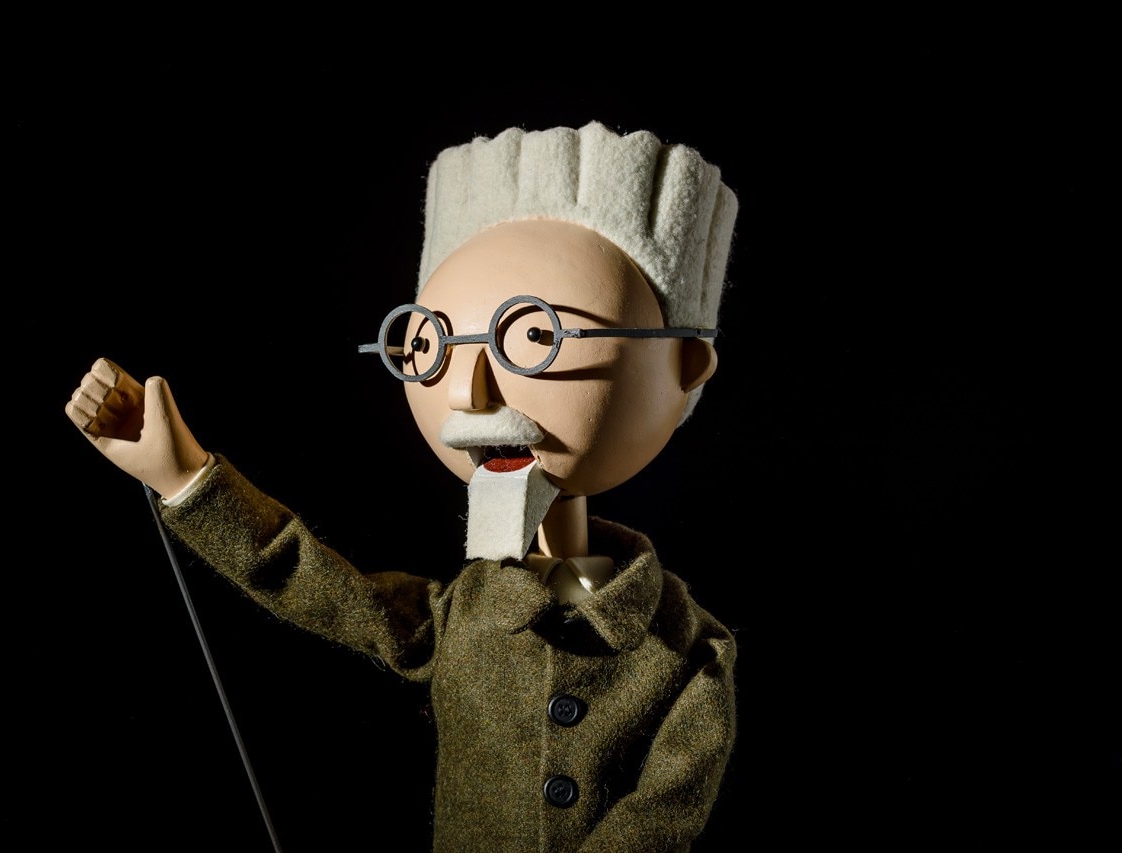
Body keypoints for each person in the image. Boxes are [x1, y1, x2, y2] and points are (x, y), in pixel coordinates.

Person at [65, 121, 739, 851]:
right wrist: (186, 477)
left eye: (533, 337)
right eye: (432, 343)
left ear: (685, 366)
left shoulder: (689, 649)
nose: (471, 392)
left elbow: (663, 815)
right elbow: (311, 580)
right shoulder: (461, 617)